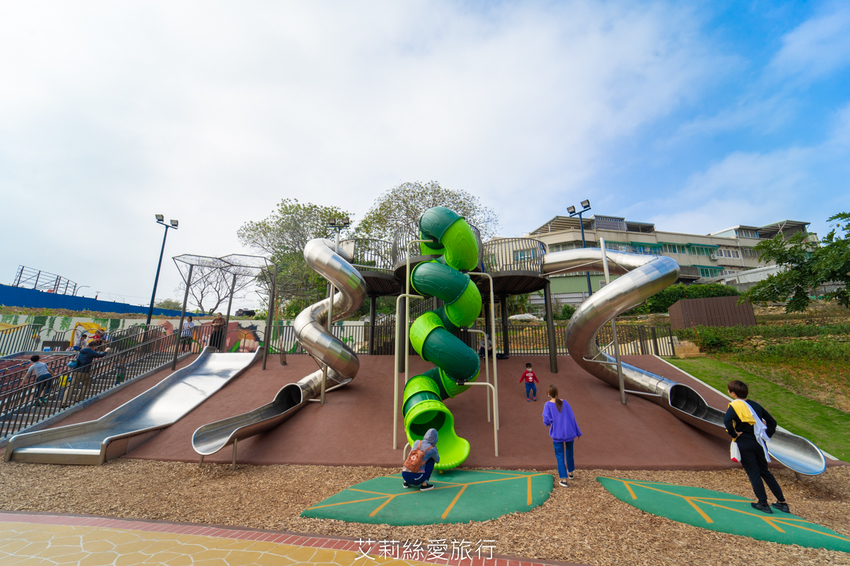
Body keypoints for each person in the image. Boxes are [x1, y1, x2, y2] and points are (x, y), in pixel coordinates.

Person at [724, 380, 790, 514]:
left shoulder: (735, 406)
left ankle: (763, 503)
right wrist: (767, 435)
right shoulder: (755, 405)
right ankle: (782, 503)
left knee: (753, 473)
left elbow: (727, 421)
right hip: (759, 443)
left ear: (733, 393)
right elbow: (772, 422)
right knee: (765, 472)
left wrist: (734, 433)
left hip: (745, 443)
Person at [543, 385, 582, 487]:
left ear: (548, 394)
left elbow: (546, 420)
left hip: (557, 435)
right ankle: (571, 473)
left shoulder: (547, 405)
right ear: (557, 393)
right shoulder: (565, 402)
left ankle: (563, 480)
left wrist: (549, 423)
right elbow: (572, 417)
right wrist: (577, 431)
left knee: (560, 456)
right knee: (569, 452)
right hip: (569, 433)